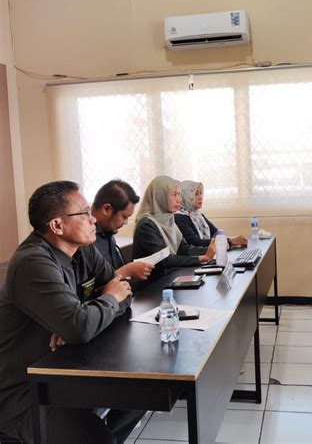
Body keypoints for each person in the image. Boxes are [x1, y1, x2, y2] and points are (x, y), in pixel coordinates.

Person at [0, 181, 143, 444]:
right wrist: (92, 312)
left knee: (140, 393)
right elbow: (81, 325)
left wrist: (84, 315)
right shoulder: (33, 262)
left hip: (68, 367)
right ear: (57, 225)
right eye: (85, 213)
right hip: (25, 389)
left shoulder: (83, 249)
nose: (93, 220)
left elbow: (123, 290)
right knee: (95, 438)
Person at [132, 176, 215, 284]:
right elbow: (165, 260)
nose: (178, 200)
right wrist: (202, 258)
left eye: (179, 194)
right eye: (174, 194)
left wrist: (210, 250)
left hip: (170, 278)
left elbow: (183, 249)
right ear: (159, 196)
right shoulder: (146, 225)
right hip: (150, 287)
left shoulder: (169, 219)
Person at [92, 179, 154, 280]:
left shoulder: (108, 233)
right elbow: (90, 287)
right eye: (124, 217)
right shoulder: (84, 238)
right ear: (106, 209)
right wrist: (127, 271)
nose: (125, 223)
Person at [175, 180, 247, 248]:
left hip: (207, 254)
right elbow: (196, 242)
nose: (200, 197)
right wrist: (231, 241)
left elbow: (216, 233)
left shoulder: (198, 215)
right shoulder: (179, 217)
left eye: (201, 193)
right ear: (185, 197)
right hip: (197, 257)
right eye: (196, 194)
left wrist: (230, 241)